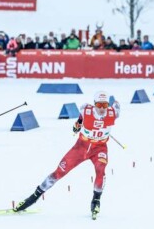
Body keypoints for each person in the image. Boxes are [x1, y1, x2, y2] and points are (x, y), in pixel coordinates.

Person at [13, 91, 121, 219]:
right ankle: (33, 197)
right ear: (94, 104)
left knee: (100, 170)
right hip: (81, 147)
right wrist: (77, 125)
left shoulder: (114, 112)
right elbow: (80, 120)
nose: (102, 109)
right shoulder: (85, 110)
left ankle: (96, 201)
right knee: (59, 172)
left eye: (105, 105)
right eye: (99, 105)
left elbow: (117, 104)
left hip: (99, 149)